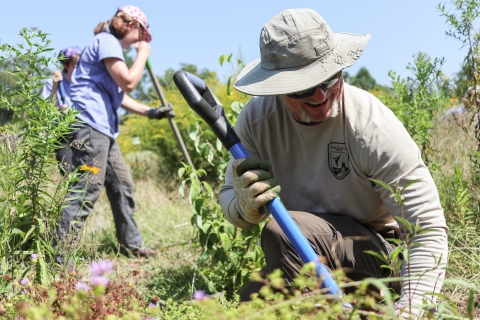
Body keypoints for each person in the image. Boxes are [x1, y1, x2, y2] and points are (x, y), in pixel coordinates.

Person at [218, 8, 449, 316]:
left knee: (282, 233)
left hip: (378, 255)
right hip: (303, 247)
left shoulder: (370, 125)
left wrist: (411, 309)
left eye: (329, 78)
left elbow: (428, 228)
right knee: (252, 300)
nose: (320, 94)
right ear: (276, 86)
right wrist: (246, 206)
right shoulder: (258, 120)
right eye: (303, 88)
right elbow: (230, 200)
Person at [57, 6, 174, 259]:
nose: (140, 43)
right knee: (87, 188)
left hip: (104, 132)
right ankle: (59, 259)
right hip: (90, 127)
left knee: (122, 184)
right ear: (132, 26)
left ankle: (130, 244)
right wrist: (142, 54)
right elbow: (130, 82)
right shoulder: (107, 42)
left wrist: (152, 112)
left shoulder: (109, 48)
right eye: (141, 36)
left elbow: (120, 96)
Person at [41, 46, 82, 173]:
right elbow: (47, 108)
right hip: (63, 132)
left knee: (85, 171)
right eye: (75, 64)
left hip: (82, 129)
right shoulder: (52, 82)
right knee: (67, 171)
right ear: (66, 65)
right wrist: (55, 86)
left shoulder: (86, 83)